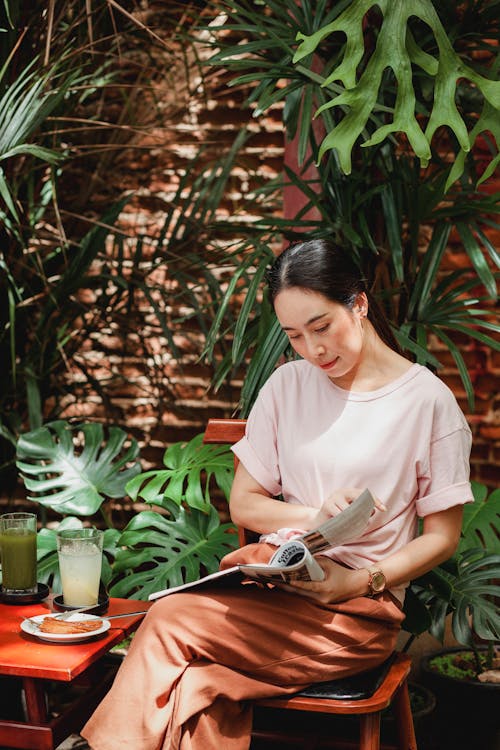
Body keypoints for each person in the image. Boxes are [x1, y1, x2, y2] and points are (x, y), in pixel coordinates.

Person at [82, 238, 473, 750]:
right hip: (272, 595)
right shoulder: (287, 385)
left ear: (358, 303)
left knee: (170, 621)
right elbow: (245, 503)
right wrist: (316, 512)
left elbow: (443, 538)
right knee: (202, 686)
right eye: (294, 335)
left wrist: (358, 581)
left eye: (321, 327)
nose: (313, 350)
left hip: (354, 617)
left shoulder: (428, 402)